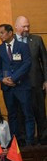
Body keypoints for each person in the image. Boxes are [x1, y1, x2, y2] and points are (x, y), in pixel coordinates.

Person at [0, 23, 34, 145]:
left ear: (10, 33)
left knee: (27, 114)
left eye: (2, 32)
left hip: (22, 86)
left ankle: (30, 141)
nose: (0, 35)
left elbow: (27, 64)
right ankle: (15, 141)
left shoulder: (23, 46)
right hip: (7, 88)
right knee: (12, 115)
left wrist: (14, 78)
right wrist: (2, 79)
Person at [14, 15, 47, 144]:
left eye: (28, 26)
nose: (27, 28)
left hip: (36, 83)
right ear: (16, 26)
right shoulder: (12, 43)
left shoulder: (37, 40)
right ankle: (24, 141)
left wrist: (46, 80)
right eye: (24, 26)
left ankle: (43, 140)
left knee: (40, 113)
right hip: (19, 85)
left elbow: (45, 61)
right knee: (21, 114)